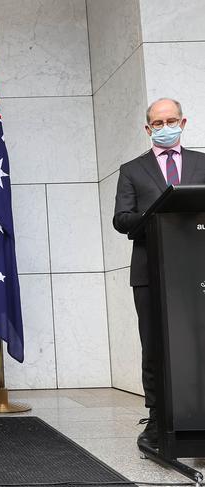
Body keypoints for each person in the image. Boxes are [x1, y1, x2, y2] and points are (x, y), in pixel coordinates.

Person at [113, 98, 205, 450]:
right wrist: (154, 215)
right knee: (154, 345)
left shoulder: (202, 163)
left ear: (183, 122)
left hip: (196, 269)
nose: (165, 127)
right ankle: (156, 416)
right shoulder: (133, 170)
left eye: (172, 120)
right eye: (157, 123)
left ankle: (197, 410)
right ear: (147, 128)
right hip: (150, 271)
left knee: (198, 341)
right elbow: (121, 218)